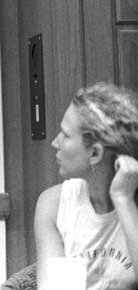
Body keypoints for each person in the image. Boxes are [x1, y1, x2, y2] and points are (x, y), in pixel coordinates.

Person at [34, 82, 138, 290]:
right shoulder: (54, 206)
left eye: (65, 135)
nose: (55, 142)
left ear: (95, 154)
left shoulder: (131, 201)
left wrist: (123, 200)